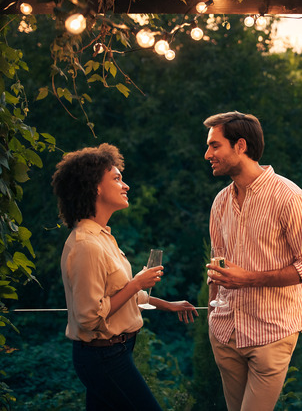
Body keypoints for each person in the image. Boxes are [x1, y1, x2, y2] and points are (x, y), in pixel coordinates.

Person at [52, 143, 198, 411]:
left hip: (114, 353)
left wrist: (168, 305)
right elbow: (90, 317)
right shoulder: (87, 245)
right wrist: (136, 283)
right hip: (103, 356)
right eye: (117, 179)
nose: (126, 185)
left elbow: (120, 293)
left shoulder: (103, 236)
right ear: (96, 186)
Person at [203, 111, 302, 411]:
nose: (207, 154)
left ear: (240, 146)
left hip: (271, 333)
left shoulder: (290, 198)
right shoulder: (220, 202)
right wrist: (212, 315)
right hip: (225, 332)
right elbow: (216, 266)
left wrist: (249, 279)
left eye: (215, 146)